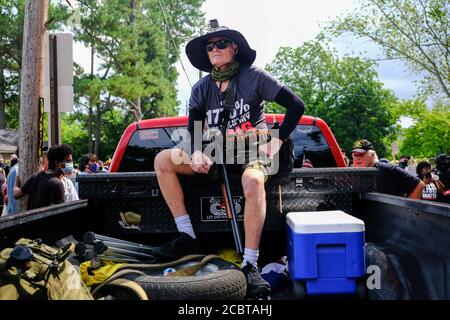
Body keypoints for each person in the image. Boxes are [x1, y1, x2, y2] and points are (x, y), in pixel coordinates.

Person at [153, 20, 305, 298]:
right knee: (163, 160)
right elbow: (194, 126)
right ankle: (187, 236)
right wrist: (197, 150)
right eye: (210, 46)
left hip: (253, 151)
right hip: (216, 152)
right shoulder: (200, 89)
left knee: (252, 180)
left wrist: (278, 138)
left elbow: (297, 105)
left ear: (235, 48)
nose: (215, 49)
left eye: (221, 43)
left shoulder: (255, 77)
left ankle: (250, 262)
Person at [351, 139, 424, 199]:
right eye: (354, 155)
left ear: (372, 155)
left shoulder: (386, 169)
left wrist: (408, 211)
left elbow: (419, 185)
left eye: (361, 154)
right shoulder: (353, 173)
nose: (357, 158)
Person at [13, 144, 73, 210]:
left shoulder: (35, 177)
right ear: (57, 163)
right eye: (68, 161)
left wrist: (16, 184)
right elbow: (58, 213)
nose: (71, 164)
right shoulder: (56, 184)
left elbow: (16, 194)